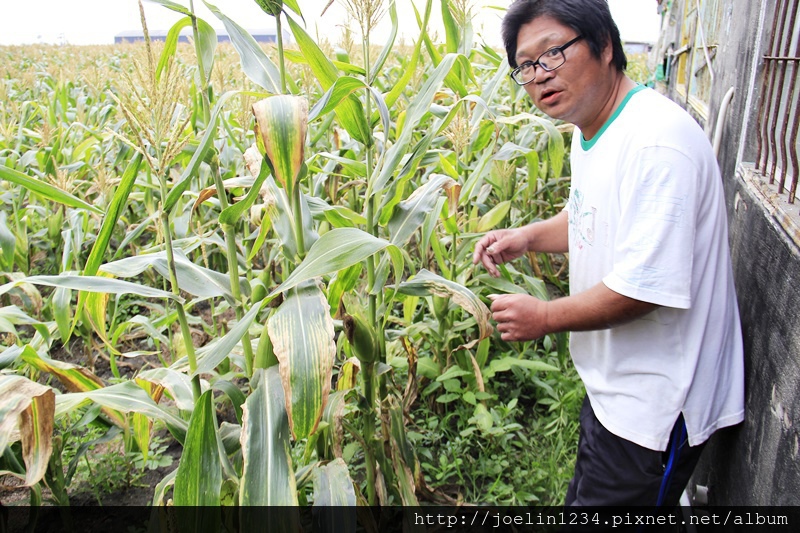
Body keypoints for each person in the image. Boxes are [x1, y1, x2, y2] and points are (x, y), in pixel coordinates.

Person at [473, 0, 744, 507]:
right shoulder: (595, 128)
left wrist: (545, 317)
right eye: (526, 66)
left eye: (552, 53)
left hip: (658, 405)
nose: (539, 76)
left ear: (604, 45)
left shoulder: (656, 143)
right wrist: (528, 237)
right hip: (618, 388)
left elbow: (647, 288)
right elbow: (593, 215)